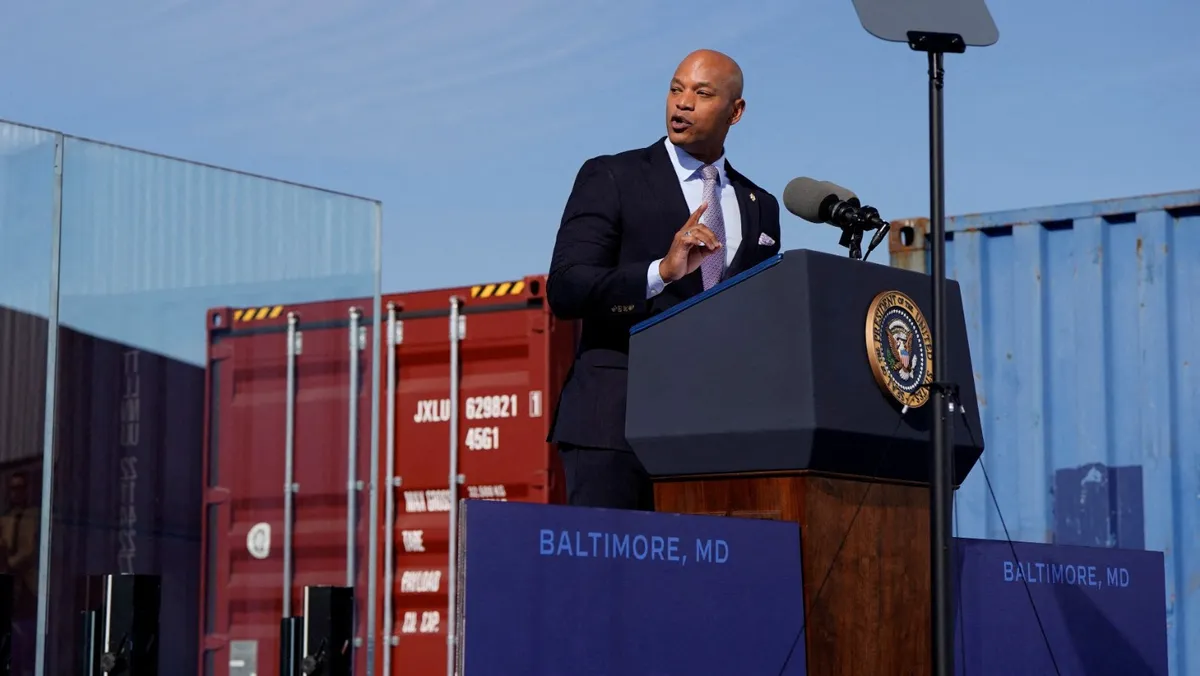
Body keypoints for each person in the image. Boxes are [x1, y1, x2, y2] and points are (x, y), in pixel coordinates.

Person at [546, 49, 782, 510]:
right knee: (610, 559)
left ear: (735, 112)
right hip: (617, 428)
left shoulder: (761, 205)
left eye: (702, 93)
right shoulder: (612, 176)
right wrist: (660, 272)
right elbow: (567, 288)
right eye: (676, 89)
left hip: (717, 433)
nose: (683, 102)